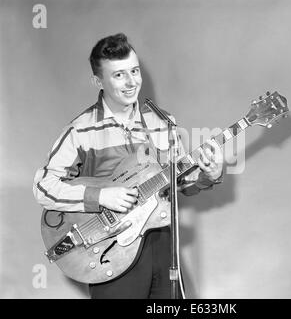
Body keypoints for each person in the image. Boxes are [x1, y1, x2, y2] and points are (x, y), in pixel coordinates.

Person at [33, 33, 223, 299]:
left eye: (134, 71)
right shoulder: (80, 130)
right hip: (111, 250)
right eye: (119, 75)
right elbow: (43, 187)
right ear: (98, 81)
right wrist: (101, 196)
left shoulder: (162, 122)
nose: (132, 82)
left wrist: (207, 175)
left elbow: (176, 182)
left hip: (163, 243)